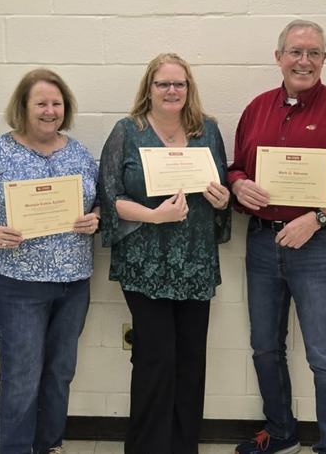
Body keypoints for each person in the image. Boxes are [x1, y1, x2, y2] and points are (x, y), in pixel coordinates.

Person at [227, 20, 326, 454]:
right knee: (264, 347)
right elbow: (236, 167)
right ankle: (281, 433)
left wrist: (315, 218)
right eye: (296, 51)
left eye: (314, 53)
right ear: (279, 57)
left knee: (323, 356)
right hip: (262, 242)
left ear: (324, 60)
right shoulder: (257, 109)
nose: (304, 61)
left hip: (318, 246)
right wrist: (238, 185)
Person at [0, 68, 99, 454]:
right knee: (21, 375)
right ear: (23, 107)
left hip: (73, 282)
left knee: (59, 373)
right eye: (41, 103)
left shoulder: (80, 153)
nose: (50, 111)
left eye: (56, 103)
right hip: (17, 283)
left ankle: (48, 445)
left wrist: (95, 217)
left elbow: (99, 200)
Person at [98, 53, 232, 454]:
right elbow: (110, 198)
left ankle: (182, 446)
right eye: (163, 84)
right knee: (156, 362)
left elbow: (222, 191)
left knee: (191, 363)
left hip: (195, 262)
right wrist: (155, 216)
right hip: (146, 266)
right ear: (149, 89)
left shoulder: (207, 131)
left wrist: (223, 199)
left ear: (189, 89)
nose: (172, 91)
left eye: (179, 84)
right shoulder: (127, 131)